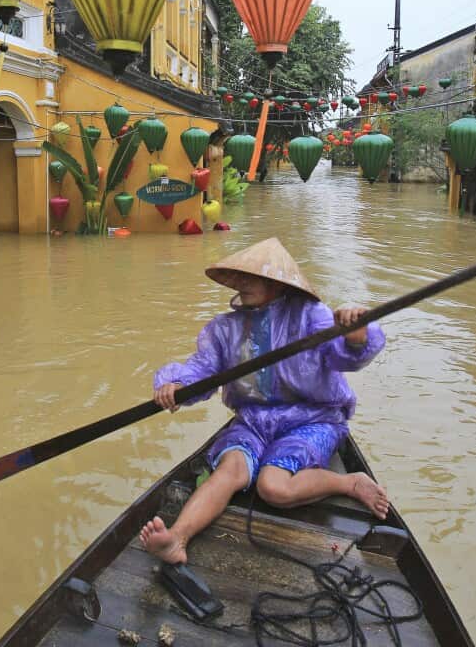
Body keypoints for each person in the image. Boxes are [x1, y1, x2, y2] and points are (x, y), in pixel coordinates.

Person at [139, 237, 388, 565]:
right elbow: (202, 372)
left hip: (311, 418)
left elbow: (344, 357)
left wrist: (356, 337)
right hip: (254, 421)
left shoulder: (309, 316)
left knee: (273, 486)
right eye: (240, 276)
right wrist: (175, 385)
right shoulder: (224, 329)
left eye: (252, 276)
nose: (243, 283)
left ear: (278, 283)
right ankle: (177, 538)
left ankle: (350, 482)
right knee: (229, 471)